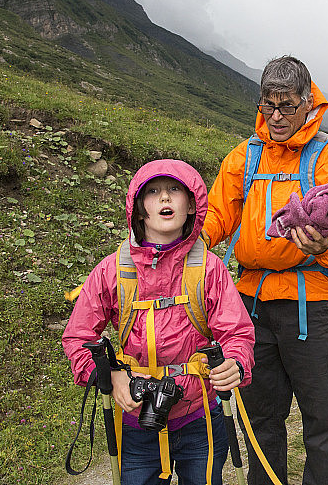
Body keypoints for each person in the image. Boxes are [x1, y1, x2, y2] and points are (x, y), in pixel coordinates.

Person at [202, 55, 328, 485]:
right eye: (268, 105)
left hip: (312, 307)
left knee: (323, 422)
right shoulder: (243, 158)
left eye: (287, 106)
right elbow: (216, 216)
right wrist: (188, 244)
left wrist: (327, 246)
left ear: (308, 103)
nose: (275, 116)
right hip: (250, 309)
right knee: (260, 421)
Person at [62, 159, 255, 485]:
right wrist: (110, 376)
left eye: (174, 190)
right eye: (152, 192)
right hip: (136, 422)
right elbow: (77, 338)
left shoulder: (209, 269)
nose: (164, 197)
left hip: (200, 418)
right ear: (138, 209)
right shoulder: (112, 271)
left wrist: (235, 362)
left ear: (191, 204)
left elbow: (237, 332)